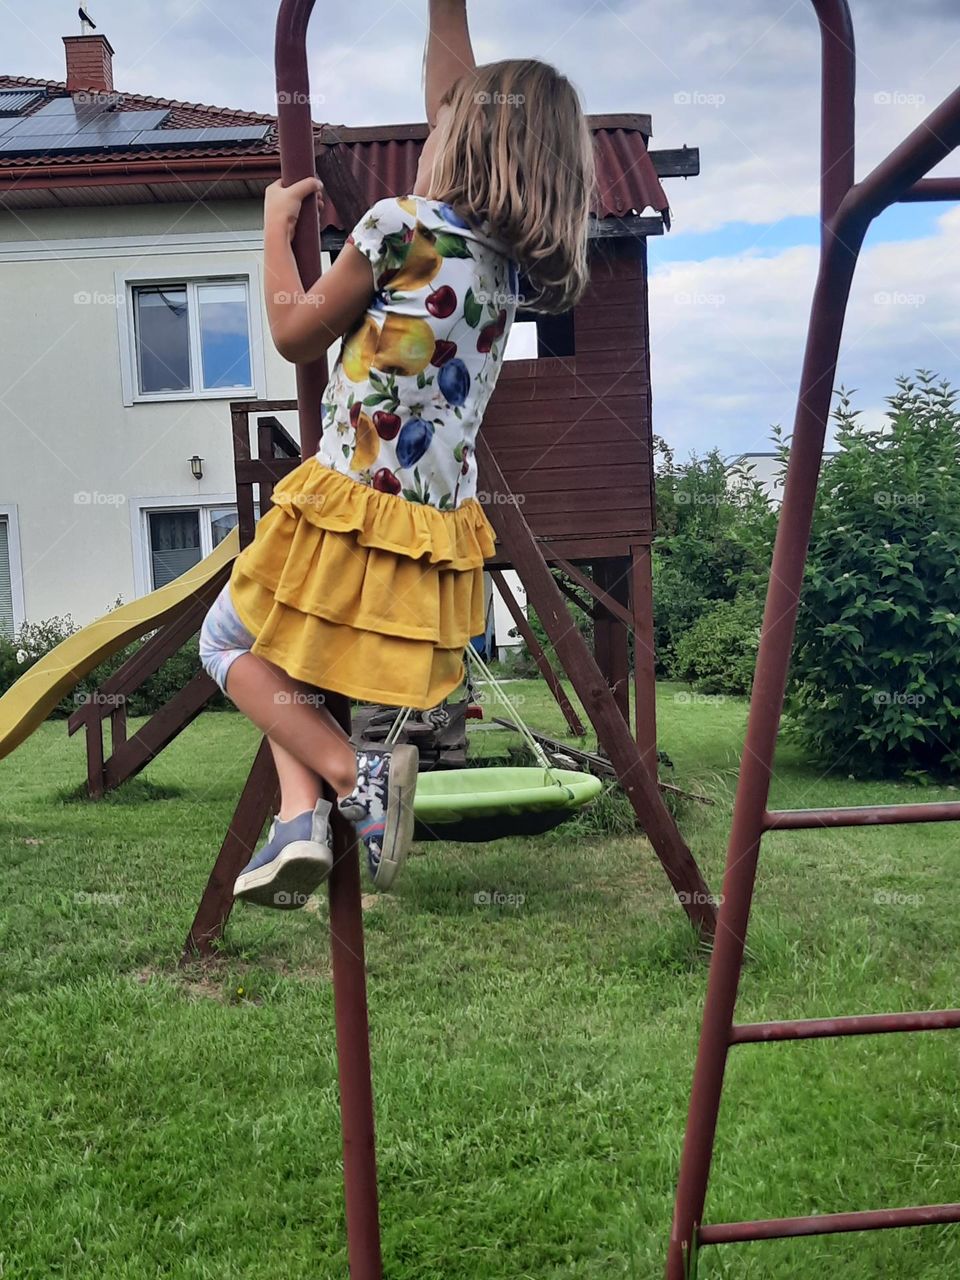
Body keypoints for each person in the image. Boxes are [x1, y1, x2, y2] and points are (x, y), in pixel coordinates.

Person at [198, 0, 596, 908]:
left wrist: (272, 226)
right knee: (288, 652)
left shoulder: (398, 227)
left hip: (344, 503)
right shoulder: (503, 267)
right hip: (427, 532)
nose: (431, 125)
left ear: (465, 147)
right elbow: (457, 90)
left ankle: (349, 777)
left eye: (444, 124)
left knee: (228, 645)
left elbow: (298, 335)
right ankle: (297, 821)